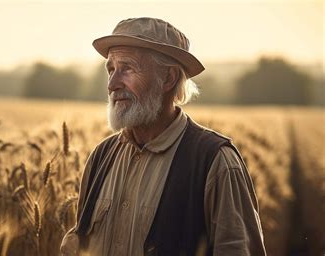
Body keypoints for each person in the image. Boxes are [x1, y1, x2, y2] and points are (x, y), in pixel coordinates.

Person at [60, 17, 266, 256]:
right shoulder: (101, 157)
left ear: (168, 78)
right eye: (111, 70)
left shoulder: (215, 162)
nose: (113, 84)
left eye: (127, 68)